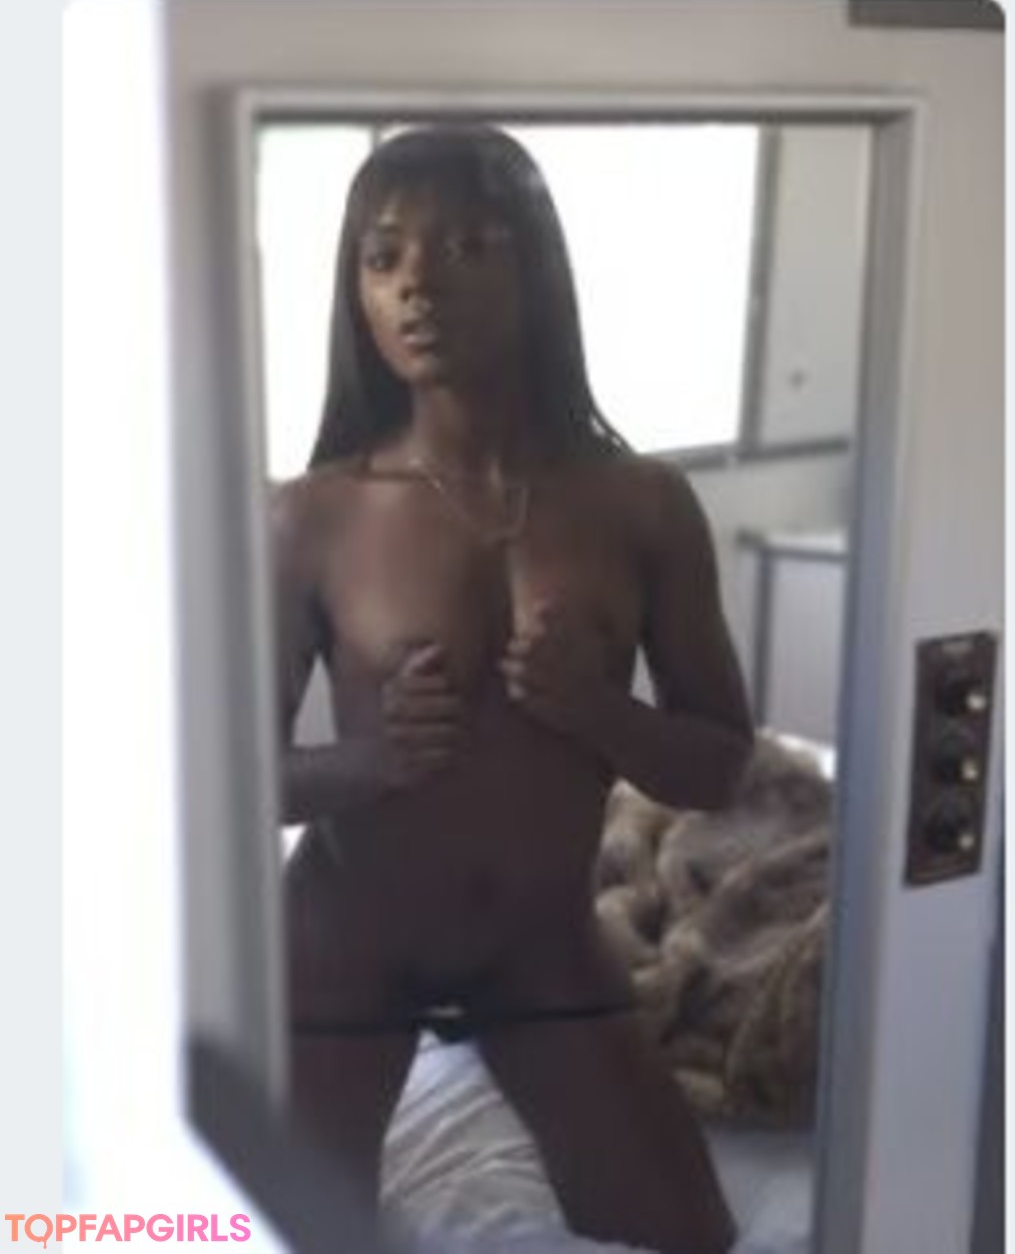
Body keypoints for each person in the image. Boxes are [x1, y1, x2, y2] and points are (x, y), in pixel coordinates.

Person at [273, 123, 755, 1254]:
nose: (416, 284)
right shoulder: (312, 514)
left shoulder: (643, 503)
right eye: (383, 255)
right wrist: (369, 762)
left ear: (537, 267)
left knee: (690, 1237)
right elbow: (222, 781)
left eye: (464, 247)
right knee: (293, 1235)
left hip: (541, 942)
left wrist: (597, 710)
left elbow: (722, 764)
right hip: (347, 942)